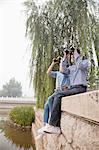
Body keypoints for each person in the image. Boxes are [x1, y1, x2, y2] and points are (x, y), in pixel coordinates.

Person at [38, 47, 89, 134]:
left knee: (58, 95)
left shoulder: (85, 62)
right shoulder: (72, 67)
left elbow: (80, 65)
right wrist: (65, 56)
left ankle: (53, 125)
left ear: (79, 55)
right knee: (54, 97)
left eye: (73, 55)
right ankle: (53, 125)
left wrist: (76, 53)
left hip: (80, 88)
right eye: (72, 55)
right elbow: (62, 70)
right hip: (72, 88)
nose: (72, 57)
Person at [38, 50, 70, 134]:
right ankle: (45, 125)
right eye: (60, 65)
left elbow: (70, 83)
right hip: (57, 92)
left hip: (62, 92)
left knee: (49, 100)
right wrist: (53, 63)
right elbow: (48, 72)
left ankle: (53, 123)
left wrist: (65, 56)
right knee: (46, 105)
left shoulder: (67, 73)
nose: (60, 66)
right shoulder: (57, 73)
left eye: (61, 65)